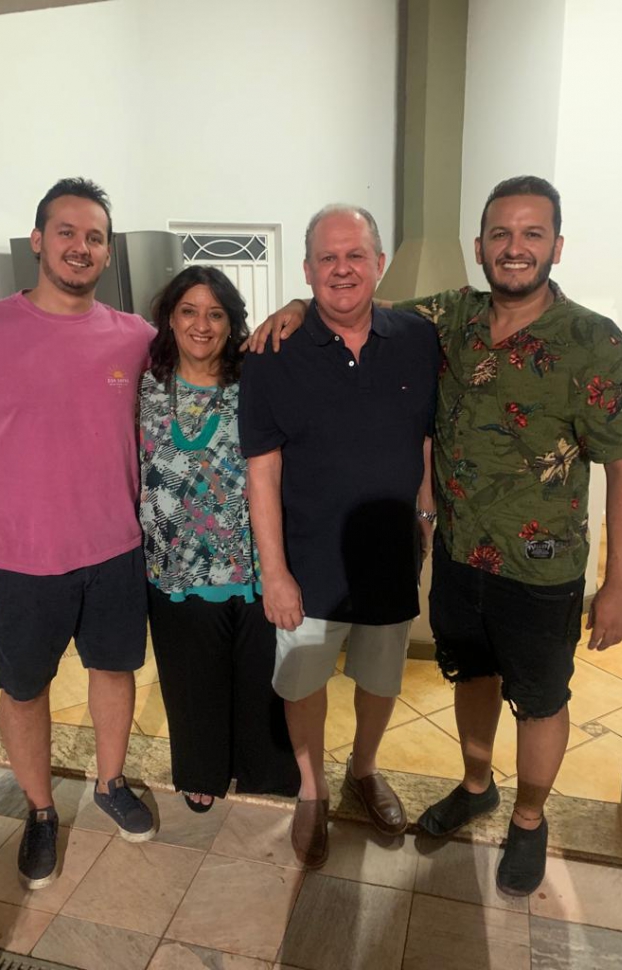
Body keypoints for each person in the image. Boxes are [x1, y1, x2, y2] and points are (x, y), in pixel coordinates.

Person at [248, 176, 622, 894]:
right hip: (460, 560)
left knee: (541, 698)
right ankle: (470, 787)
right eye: (500, 234)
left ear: (556, 246)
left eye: (531, 234)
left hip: (541, 566)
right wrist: (299, 306)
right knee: (473, 678)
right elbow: (353, 302)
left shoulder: (592, 339)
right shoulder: (450, 318)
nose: (514, 248)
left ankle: (528, 818)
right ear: (480, 247)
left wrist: (620, 582)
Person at [0, 178, 156, 890]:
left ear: (107, 252)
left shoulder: (136, 337)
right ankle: (40, 810)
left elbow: (217, 355)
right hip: (19, 563)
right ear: (38, 240)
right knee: (24, 691)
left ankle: (110, 782)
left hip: (116, 552)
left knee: (113, 671)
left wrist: (293, 313)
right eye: (66, 232)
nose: (80, 247)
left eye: (94, 237)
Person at [239, 205, 438, 868]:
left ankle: (362, 769)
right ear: (307, 270)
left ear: (379, 263)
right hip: (307, 560)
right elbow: (262, 471)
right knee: (302, 683)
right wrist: (274, 572)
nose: (342, 269)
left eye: (355, 255)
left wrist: (427, 518)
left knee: (380, 679)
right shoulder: (271, 355)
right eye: (327, 258)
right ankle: (312, 788)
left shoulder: (418, 338)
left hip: (390, 554)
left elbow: (425, 439)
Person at [139, 266, 299, 810]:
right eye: (189, 311)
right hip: (174, 571)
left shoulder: (257, 380)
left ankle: (262, 773)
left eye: (215, 314)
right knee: (191, 687)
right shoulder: (146, 385)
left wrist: (298, 305)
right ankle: (203, 771)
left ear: (232, 323)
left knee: (258, 684)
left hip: (252, 567)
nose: (201, 325)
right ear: (170, 318)